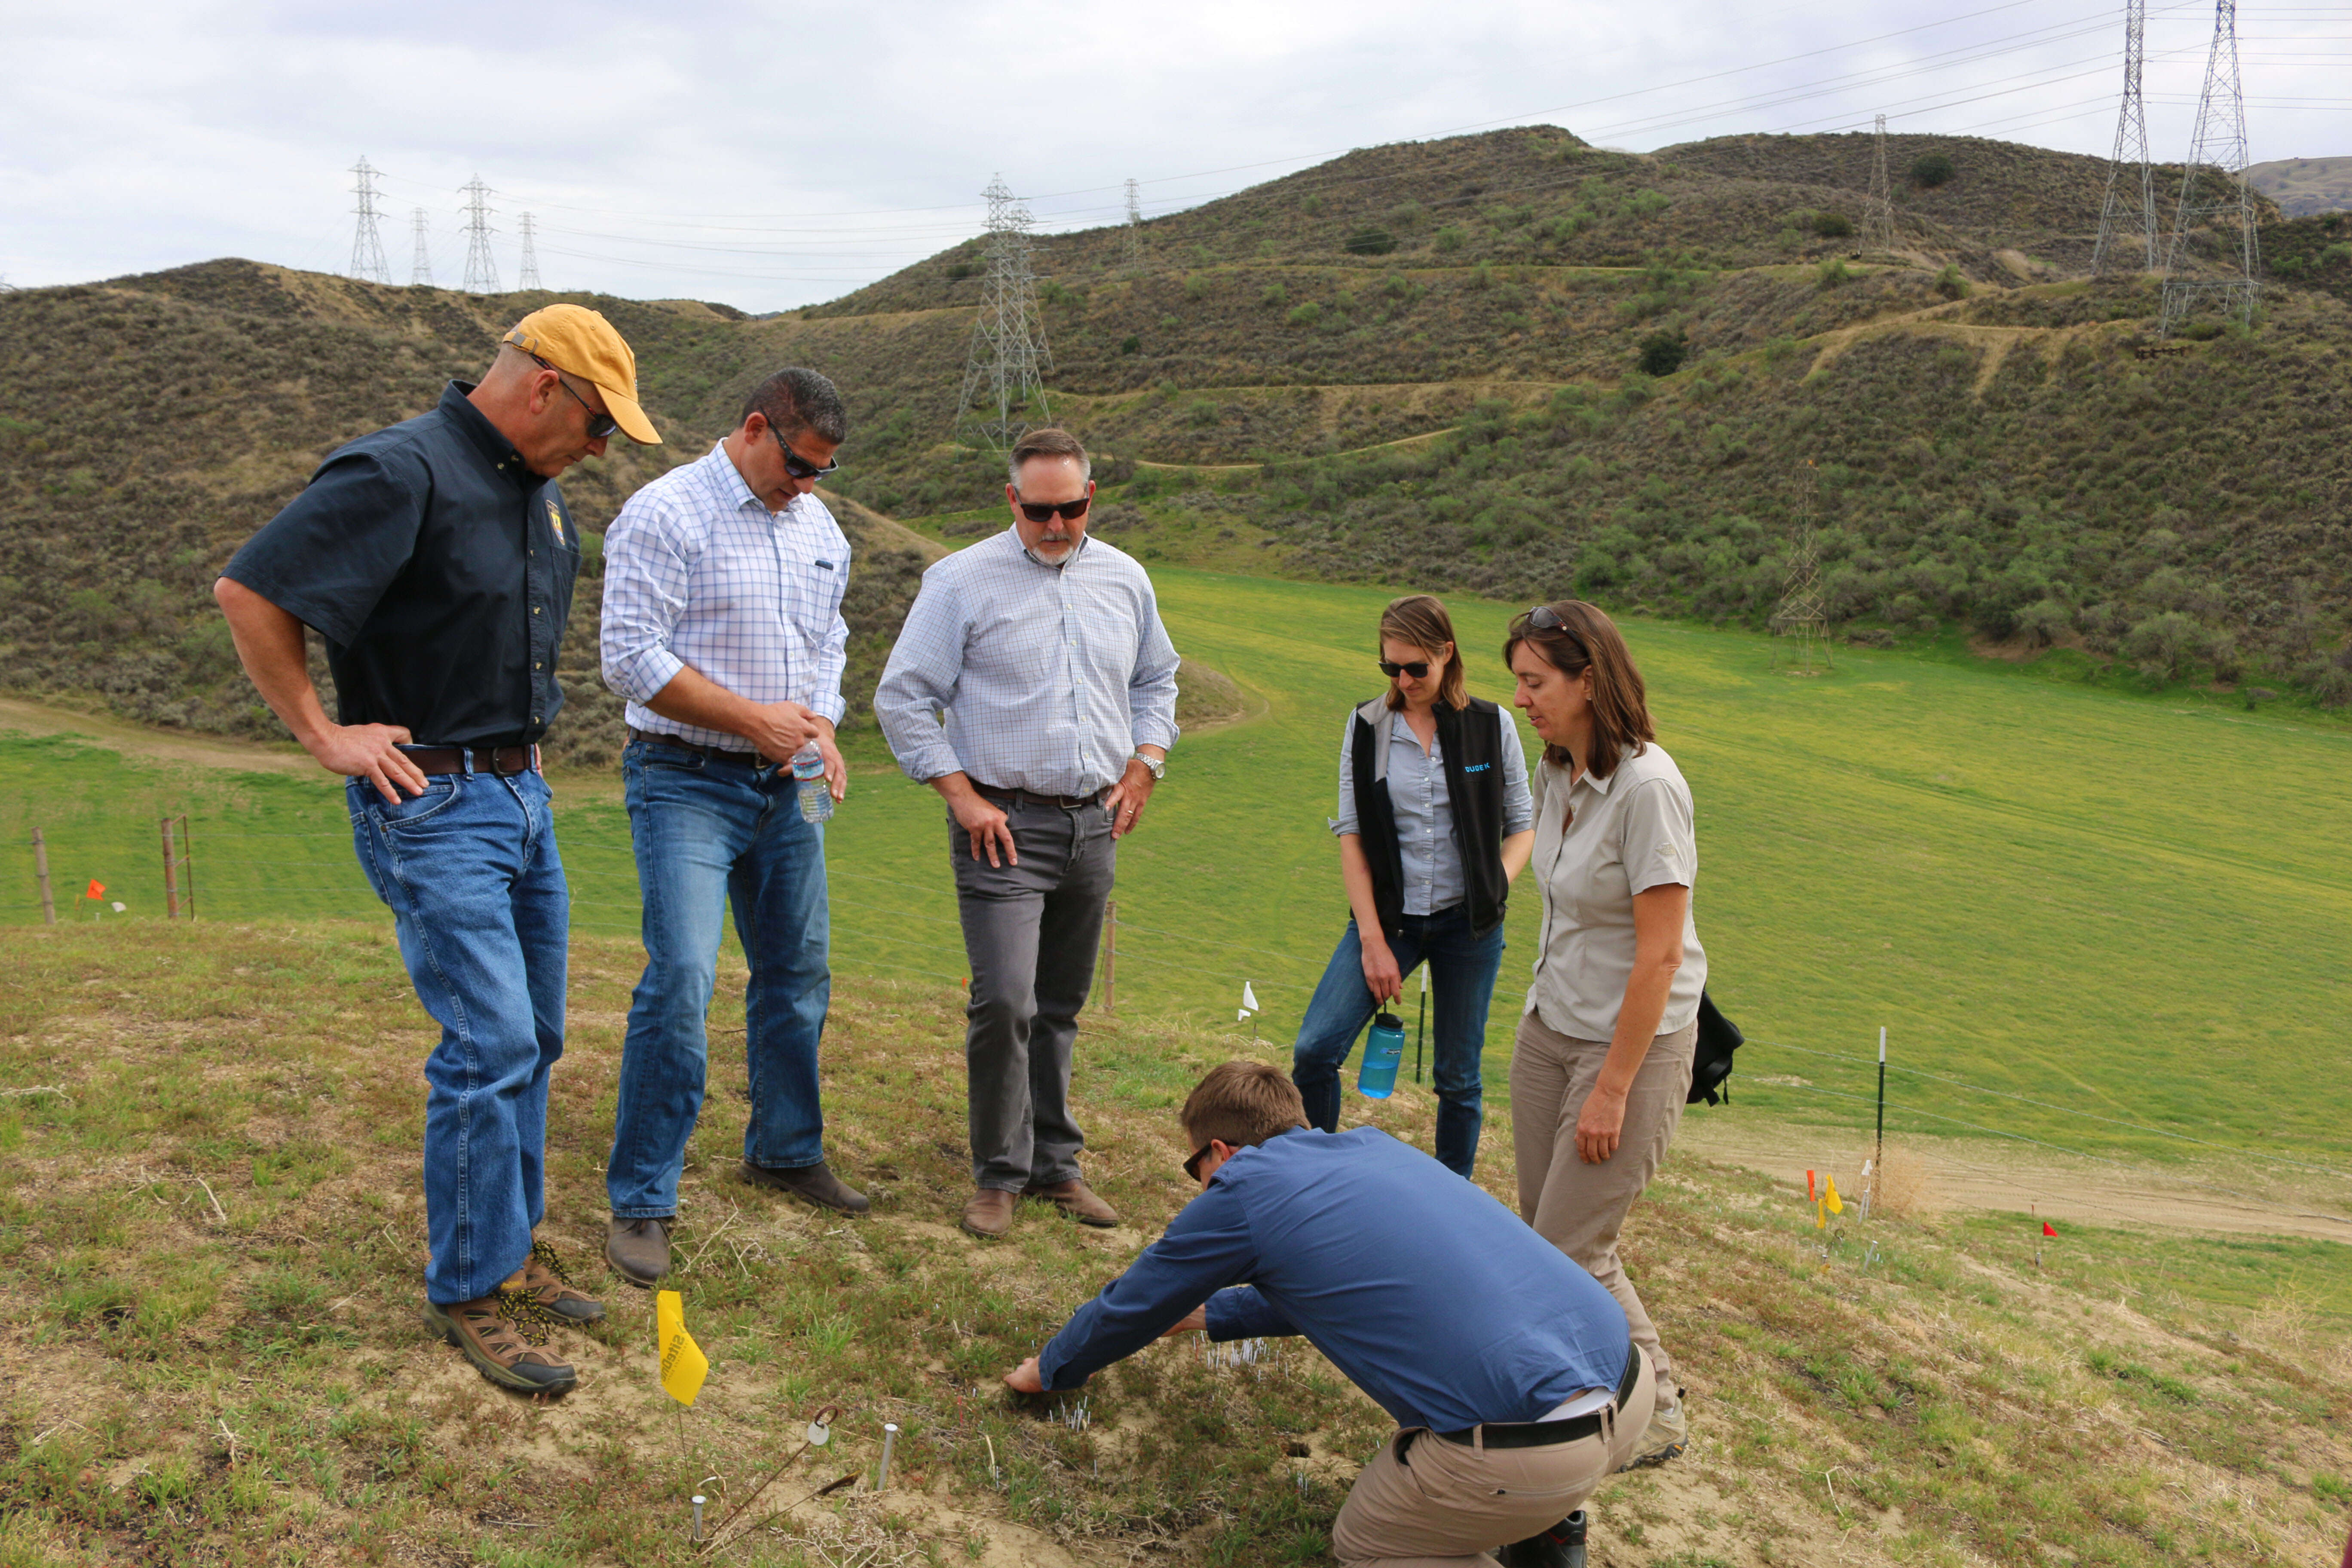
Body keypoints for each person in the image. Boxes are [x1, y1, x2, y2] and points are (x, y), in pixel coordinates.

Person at [213, 306, 662, 1396]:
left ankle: (508, 1252)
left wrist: (530, 754)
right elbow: (252, 590)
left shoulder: (533, 493)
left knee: (538, 1036)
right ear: (546, 387)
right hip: (432, 802)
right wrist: (325, 734)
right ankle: (468, 1285)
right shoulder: (398, 470)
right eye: (600, 426)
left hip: (518, 795)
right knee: (488, 1041)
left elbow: (503, 639)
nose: (601, 454)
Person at [1004, 1061, 1652, 1568]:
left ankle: (1529, 1515)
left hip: (1528, 1451)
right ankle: (1550, 1529)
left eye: (1193, 1166)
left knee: (1370, 1544)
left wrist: (1053, 1368)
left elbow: (1131, 1304)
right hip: (1629, 1387)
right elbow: (1333, 1286)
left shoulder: (1245, 1190)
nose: (1199, 1181)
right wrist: (1210, 1317)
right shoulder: (1373, 1149)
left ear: (1221, 1154)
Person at [595, 368, 867, 1289]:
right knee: (681, 978)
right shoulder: (665, 515)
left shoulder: (817, 525)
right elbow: (630, 656)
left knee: (797, 973)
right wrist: (756, 719)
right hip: (684, 781)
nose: (809, 485)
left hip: (785, 786)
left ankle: (785, 1150)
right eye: (800, 465)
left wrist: (820, 723)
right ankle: (642, 1198)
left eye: (824, 471)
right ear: (755, 429)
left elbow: (829, 639)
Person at [873, 426, 1179, 1240]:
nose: (1056, 525)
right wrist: (959, 795)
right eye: (1040, 510)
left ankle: (1056, 1167)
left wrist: (1146, 764)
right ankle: (998, 1175)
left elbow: (1157, 679)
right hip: (1000, 826)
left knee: (1060, 1004)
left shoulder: (1126, 578)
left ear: (1091, 498)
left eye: (1071, 509)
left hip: (1095, 824)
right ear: (1012, 500)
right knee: (1006, 998)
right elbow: (902, 697)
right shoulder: (960, 582)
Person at [1501, 600, 1707, 1471]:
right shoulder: (1556, 775)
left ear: (1590, 680)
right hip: (1549, 1027)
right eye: (1518, 682)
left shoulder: (1650, 789)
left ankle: (1653, 1408)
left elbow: (1658, 958)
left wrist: (1614, 1089)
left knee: (1567, 1250)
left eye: (1537, 683)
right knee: (1552, 1238)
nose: (1523, 700)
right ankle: (1618, 1391)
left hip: (1630, 1046)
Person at [1291, 594, 1534, 1176]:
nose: (1403, 680)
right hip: (1388, 922)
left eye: (1416, 668)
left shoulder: (1491, 724)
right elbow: (1351, 833)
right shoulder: (1367, 725)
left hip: (1468, 930)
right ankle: (1315, 1181)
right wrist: (1372, 942)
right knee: (1315, 1051)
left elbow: (1523, 823)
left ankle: (1451, 1198)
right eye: (1390, 668)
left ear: (1446, 654)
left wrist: (1492, 885)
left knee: (1459, 1078)